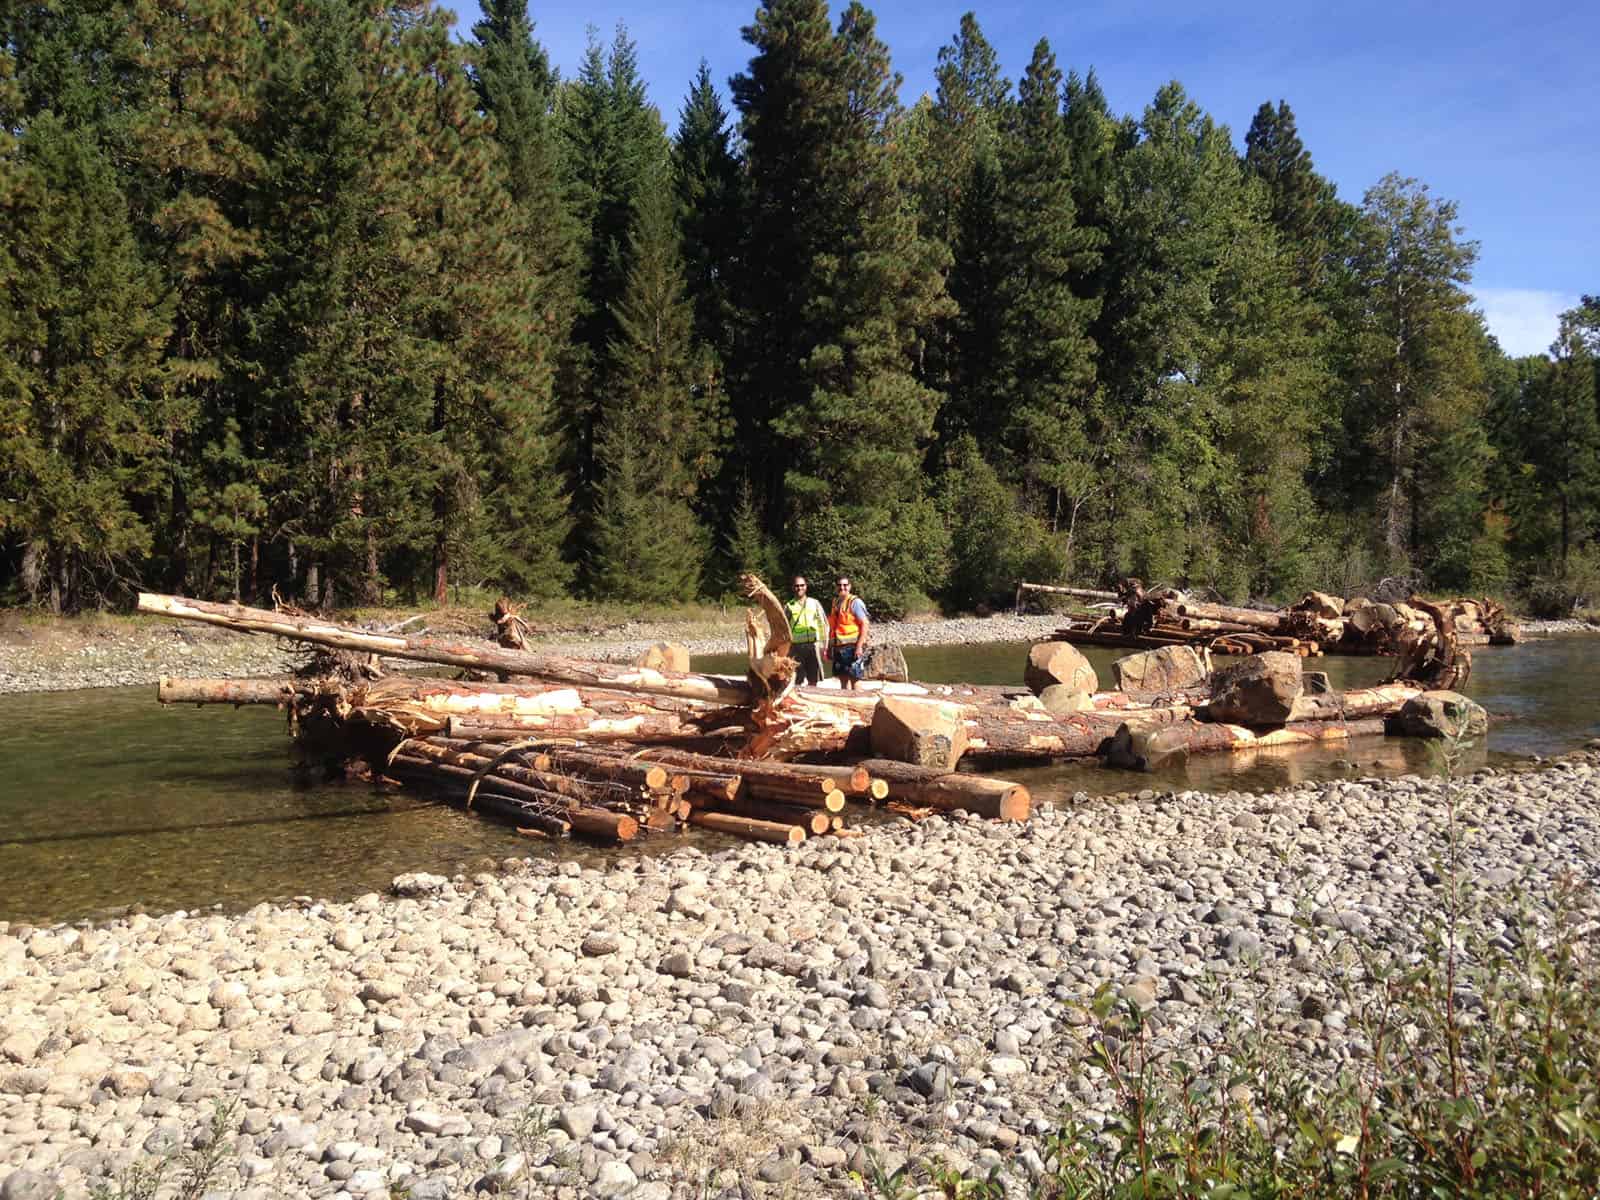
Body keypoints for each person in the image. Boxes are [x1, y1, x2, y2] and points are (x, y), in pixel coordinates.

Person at [826, 576, 871, 690]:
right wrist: (830, 647)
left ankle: (859, 705)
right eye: (840, 585)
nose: (842, 587)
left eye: (845, 585)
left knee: (855, 680)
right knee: (842, 681)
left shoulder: (855, 602)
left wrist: (859, 647)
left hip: (853, 648)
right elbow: (833, 627)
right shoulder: (835, 602)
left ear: (850, 586)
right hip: (839, 648)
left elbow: (865, 624)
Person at [783, 576, 828, 686]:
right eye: (797, 586)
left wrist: (825, 645)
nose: (799, 588)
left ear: (806, 586)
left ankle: (812, 700)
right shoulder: (789, 606)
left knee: (813, 678)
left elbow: (824, 623)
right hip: (796, 647)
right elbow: (783, 627)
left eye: (802, 585)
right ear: (793, 588)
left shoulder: (814, 603)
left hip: (812, 645)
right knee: (796, 679)